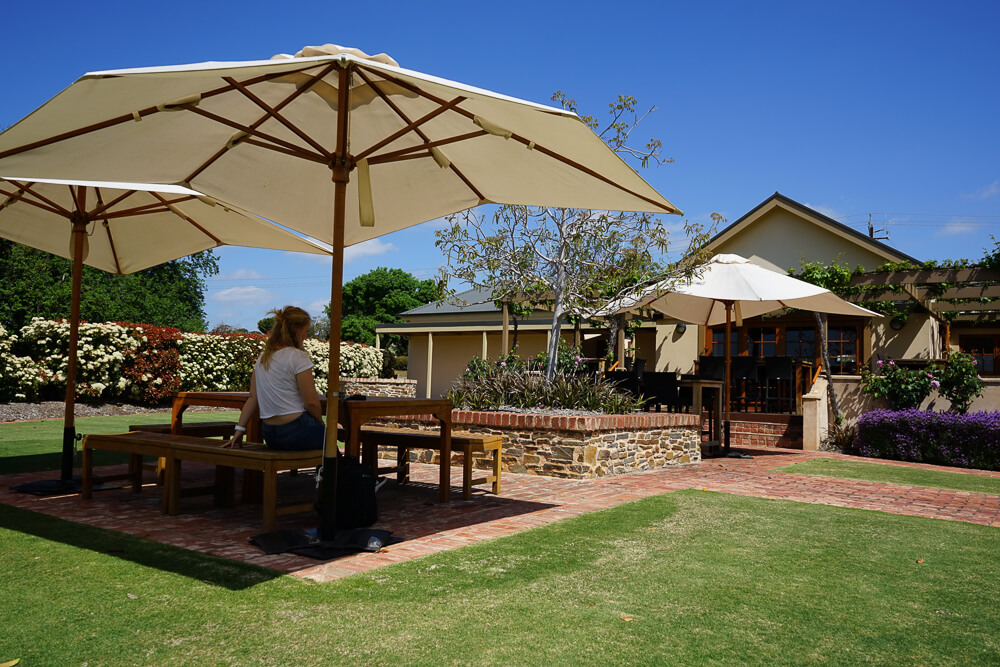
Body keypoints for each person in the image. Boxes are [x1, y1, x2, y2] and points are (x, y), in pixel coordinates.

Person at [224, 306, 324, 451]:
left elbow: (253, 397)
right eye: (305, 331)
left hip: (270, 433)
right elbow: (311, 402)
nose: (305, 336)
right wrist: (320, 423)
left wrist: (240, 429)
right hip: (298, 428)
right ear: (296, 329)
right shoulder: (297, 356)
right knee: (333, 455)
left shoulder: (262, 359)